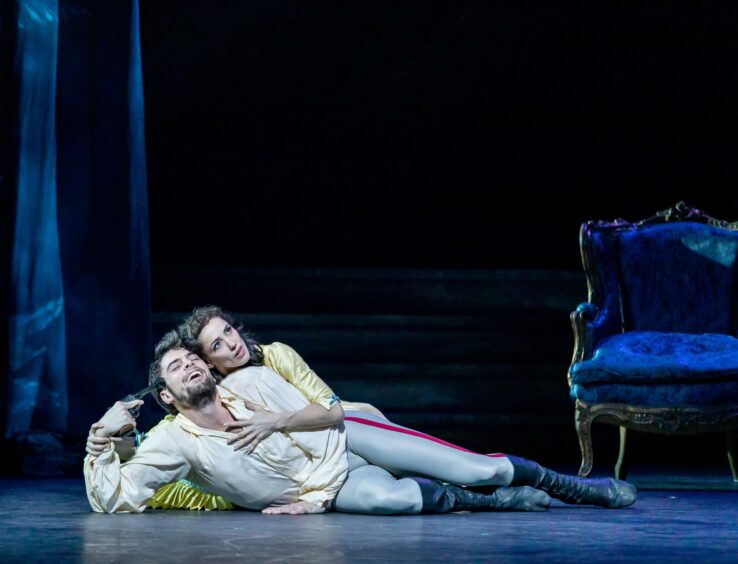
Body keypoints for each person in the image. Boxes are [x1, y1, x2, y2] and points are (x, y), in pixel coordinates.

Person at [84, 332, 637, 515]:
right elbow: (114, 496)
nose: (194, 366)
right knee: (393, 502)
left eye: (195, 359)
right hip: (328, 485)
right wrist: (100, 439)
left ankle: (574, 487)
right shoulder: (173, 440)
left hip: (347, 437)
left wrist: (285, 421)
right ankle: (498, 502)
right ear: (166, 394)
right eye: (179, 368)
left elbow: (329, 411)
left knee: (481, 468)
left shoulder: (248, 380)